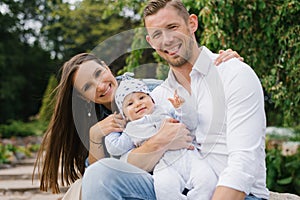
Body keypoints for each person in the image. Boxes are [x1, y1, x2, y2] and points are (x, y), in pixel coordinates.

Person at [33, 50, 240, 198]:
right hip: (149, 182)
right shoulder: (96, 121)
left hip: (182, 172)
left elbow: (188, 97)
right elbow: (98, 180)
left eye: (98, 74)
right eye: (88, 86)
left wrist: (221, 67)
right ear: (84, 97)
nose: (100, 85)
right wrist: (95, 136)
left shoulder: (146, 91)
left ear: (106, 67)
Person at [130, 0, 268, 199]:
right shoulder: (158, 96)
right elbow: (127, 156)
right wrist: (159, 142)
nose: (167, 40)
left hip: (240, 194)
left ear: (192, 23)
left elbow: (243, 165)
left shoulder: (233, 74)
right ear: (151, 42)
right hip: (182, 190)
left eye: (172, 27)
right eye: (157, 34)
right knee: (105, 174)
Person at [105, 78, 217, 199]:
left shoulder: (165, 111)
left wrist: (181, 108)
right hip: (163, 165)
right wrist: (113, 128)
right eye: (130, 104)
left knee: (207, 180)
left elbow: (190, 122)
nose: (138, 103)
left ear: (152, 100)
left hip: (188, 156)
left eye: (142, 97)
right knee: (164, 189)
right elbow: (115, 147)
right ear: (125, 115)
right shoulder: (131, 130)